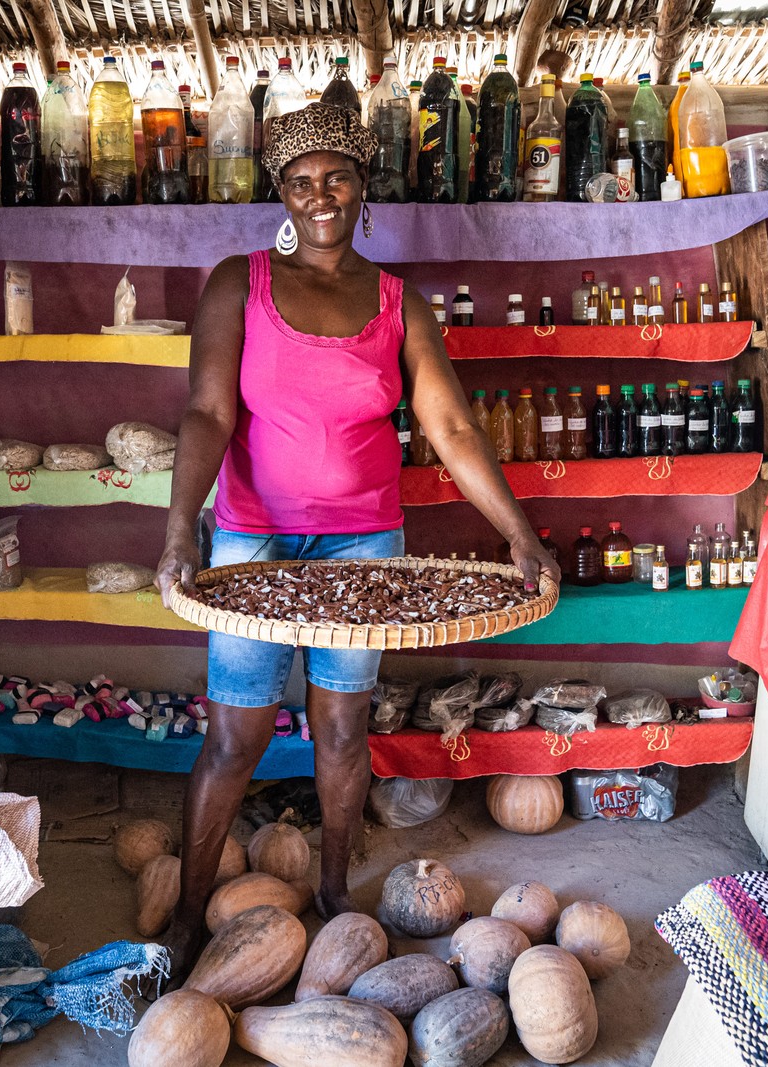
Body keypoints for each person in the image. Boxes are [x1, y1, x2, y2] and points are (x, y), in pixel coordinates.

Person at [155, 103, 562, 977]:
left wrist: (521, 536)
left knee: (341, 729)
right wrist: (180, 532)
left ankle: (336, 888)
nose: (320, 196)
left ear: (362, 183)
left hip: (364, 548)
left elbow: (450, 427)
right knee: (236, 733)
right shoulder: (242, 282)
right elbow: (208, 412)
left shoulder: (398, 303)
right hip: (253, 544)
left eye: (336, 176)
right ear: (282, 192)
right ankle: (189, 913)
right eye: (300, 182)